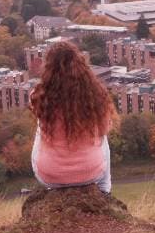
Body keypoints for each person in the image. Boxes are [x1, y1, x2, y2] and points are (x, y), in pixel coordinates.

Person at [30, 41, 115, 194]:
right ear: (80, 64)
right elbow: (106, 128)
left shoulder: (38, 96)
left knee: (41, 126)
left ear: (48, 67)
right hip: (91, 174)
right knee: (102, 135)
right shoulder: (96, 95)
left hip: (49, 176)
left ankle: (56, 186)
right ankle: (105, 188)